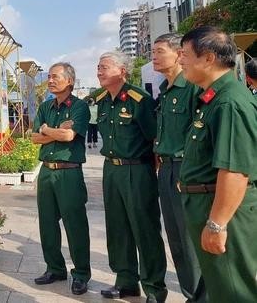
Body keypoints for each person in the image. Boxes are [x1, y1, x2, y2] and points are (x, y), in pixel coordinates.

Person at [178, 26, 257, 301]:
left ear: (208, 58)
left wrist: (217, 224)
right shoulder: (212, 98)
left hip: (225, 212)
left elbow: (236, 170)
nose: (180, 60)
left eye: (185, 54)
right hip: (208, 206)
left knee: (234, 291)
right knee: (220, 287)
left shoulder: (229, 102)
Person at [95, 51, 167, 302]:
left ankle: (154, 288)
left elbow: (154, 138)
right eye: (98, 67)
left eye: (105, 67)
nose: (99, 71)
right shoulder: (102, 100)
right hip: (111, 169)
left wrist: (152, 169)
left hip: (137, 169)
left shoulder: (139, 99)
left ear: (122, 71)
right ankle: (125, 281)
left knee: (144, 228)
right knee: (117, 227)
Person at [151, 33, 205, 302]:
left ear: (178, 54)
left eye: (160, 50)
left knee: (190, 240)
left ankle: (200, 296)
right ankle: (189, 294)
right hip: (167, 170)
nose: (154, 56)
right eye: (153, 51)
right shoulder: (164, 90)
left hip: (187, 170)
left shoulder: (193, 88)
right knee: (176, 240)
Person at [30, 63, 91, 296]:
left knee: (74, 225)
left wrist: (49, 130)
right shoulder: (45, 106)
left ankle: (81, 274)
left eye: (55, 77)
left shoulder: (80, 107)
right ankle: (54, 268)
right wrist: (50, 131)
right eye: (49, 77)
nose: (50, 81)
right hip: (46, 171)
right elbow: (35, 138)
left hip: (69, 172)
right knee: (47, 223)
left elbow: (69, 135)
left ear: (69, 80)